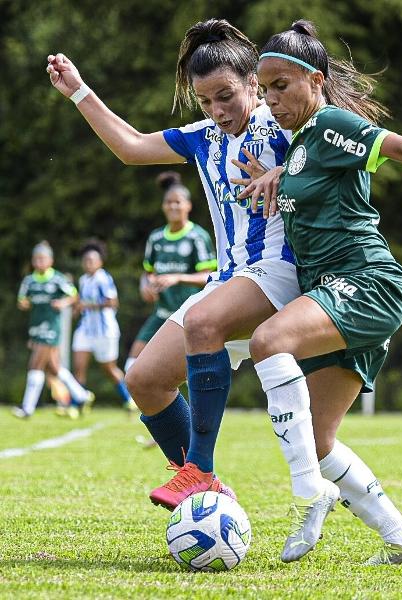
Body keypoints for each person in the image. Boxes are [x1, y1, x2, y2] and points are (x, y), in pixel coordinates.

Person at [46, 19, 300, 506]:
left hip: (278, 273)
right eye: (206, 101)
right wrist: (79, 92)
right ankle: (209, 495)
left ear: (253, 82)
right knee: (144, 379)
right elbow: (132, 147)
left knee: (202, 319)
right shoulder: (202, 137)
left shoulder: (285, 123)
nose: (218, 110)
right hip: (228, 282)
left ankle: (199, 471)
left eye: (226, 95)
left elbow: (338, 153)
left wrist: (287, 170)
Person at [236, 20, 402, 565]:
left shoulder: (330, 123)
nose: (271, 98)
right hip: (335, 293)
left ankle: (310, 492)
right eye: (265, 89)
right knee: (319, 439)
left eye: (282, 85)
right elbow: (316, 178)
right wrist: (275, 176)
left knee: (268, 341)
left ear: (316, 80)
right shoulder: (304, 144)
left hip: (364, 282)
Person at [124, 171, 216, 375]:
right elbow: (147, 273)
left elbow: (209, 277)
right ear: (163, 206)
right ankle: (135, 405)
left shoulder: (197, 237)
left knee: (181, 370)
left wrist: (177, 278)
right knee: (133, 361)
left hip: (187, 314)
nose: (173, 206)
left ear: (188, 206)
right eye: (168, 202)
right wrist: (145, 286)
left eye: (178, 202)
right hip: (161, 312)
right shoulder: (156, 238)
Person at [13, 241, 95, 418]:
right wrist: (23, 304)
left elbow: (74, 296)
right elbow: (22, 300)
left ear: (50, 260)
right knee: (54, 368)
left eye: (43, 259)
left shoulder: (57, 278)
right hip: (35, 327)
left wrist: (63, 303)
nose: (39, 262)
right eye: (36, 259)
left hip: (51, 328)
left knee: (35, 364)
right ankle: (81, 395)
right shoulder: (29, 281)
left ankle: (27, 408)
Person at [72, 239, 135, 413]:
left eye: (92, 260)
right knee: (78, 367)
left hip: (105, 331)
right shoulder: (83, 279)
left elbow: (113, 302)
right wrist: (77, 307)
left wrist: (88, 305)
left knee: (109, 369)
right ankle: (76, 404)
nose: (88, 263)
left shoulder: (103, 278)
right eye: (86, 260)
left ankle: (128, 399)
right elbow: (81, 302)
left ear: (100, 262)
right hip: (85, 329)